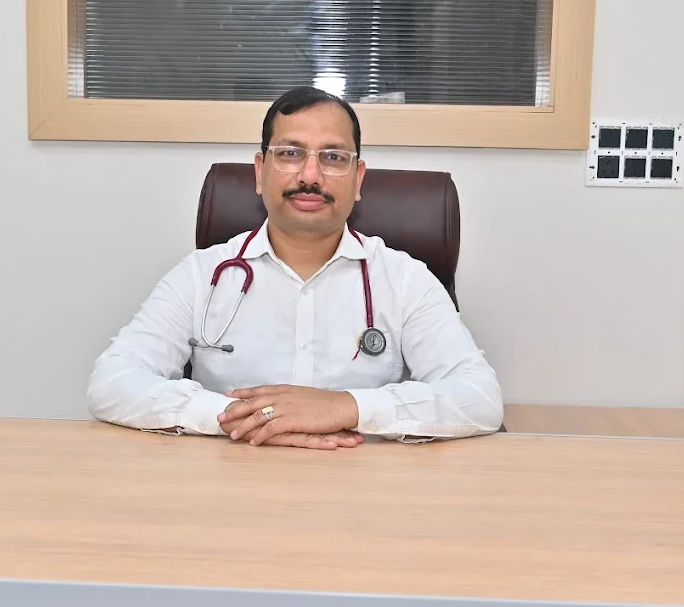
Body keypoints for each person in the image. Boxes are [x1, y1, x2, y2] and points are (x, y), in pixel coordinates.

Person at [88, 86, 503, 450]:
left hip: (363, 486)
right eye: (290, 153)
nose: (310, 175)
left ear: (358, 179)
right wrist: (242, 418)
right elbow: (112, 382)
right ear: (259, 171)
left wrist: (345, 407)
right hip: (230, 483)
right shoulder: (201, 275)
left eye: (333, 157)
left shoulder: (405, 280)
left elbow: (479, 397)